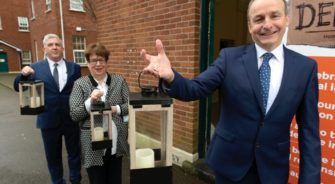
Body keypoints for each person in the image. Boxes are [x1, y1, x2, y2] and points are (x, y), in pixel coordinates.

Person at [140, 0, 321, 183]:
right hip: (230, 165)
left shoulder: (305, 68)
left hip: (272, 170)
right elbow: (195, 89)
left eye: (274, 15)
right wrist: (171, 77)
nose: (267, 24)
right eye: (258, 19)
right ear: (250, 26)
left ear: (287, 19)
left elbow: (309, 132)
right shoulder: (229, 58)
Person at [13, 33, 82, 184]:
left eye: (57, 44)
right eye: (50, 45)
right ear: (44, 48)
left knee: (75, 154)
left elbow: (79, 91)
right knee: (53, 156)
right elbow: (18, 87)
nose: (54, 47)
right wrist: (23, 75)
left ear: (62, 48)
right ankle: (57, 181)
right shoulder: (35, 68)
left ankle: (75, 179)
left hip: (71, 119)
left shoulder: (75, 68)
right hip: (48, 120)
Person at [69, 43, 129, 184]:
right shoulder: (80, 84)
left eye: (101, 60)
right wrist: (90, 101)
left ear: (106, 62)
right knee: (97, 180)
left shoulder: (119, 81)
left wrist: (115, 109)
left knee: (115, 180)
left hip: (116, 141)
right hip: (92, 146)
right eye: (93, 61)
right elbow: (74, 114)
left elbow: (130, 105)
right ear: (88, 63)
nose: (98, 64)